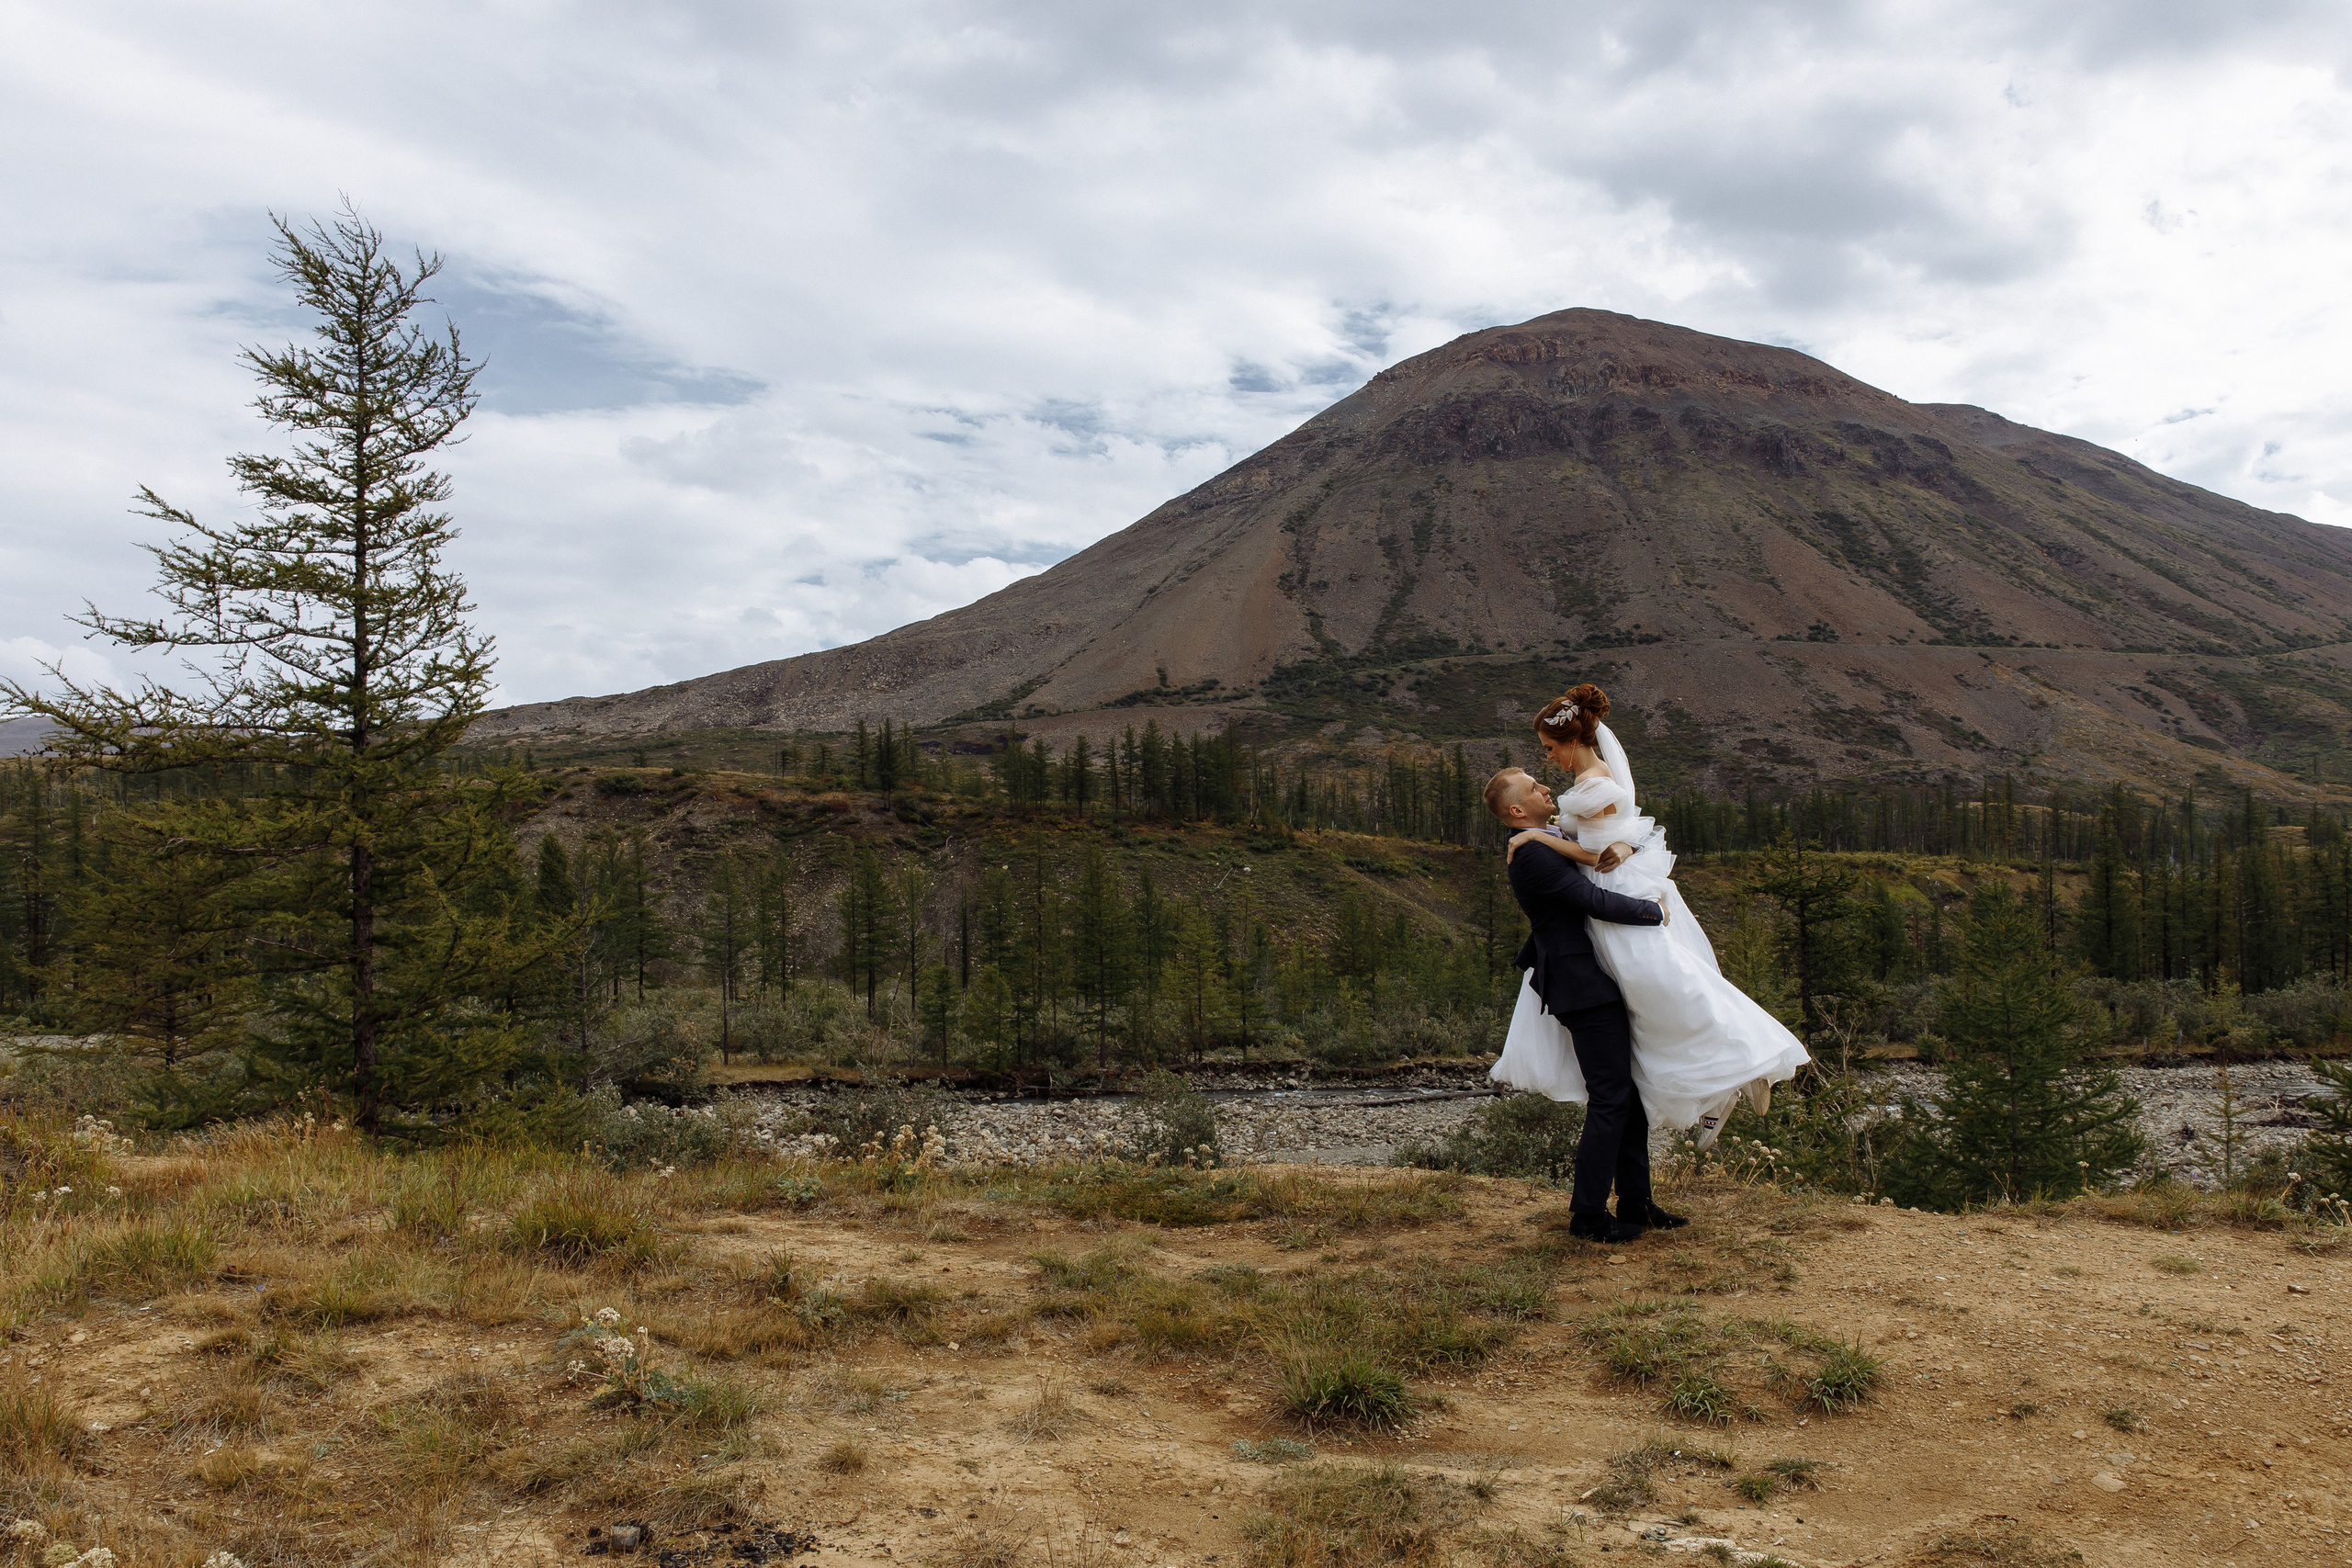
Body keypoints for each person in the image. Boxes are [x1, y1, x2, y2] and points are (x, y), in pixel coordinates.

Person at [1492, 682, 1811, 1156]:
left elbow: (1597, 851)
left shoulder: (1589, 788)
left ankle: (1743, 1066)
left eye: (1550, 748)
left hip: (1617, 897)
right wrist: (1619, 844)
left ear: (1572, 741)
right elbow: (1622, 832)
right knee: (1657, 1003)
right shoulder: (1587, 787)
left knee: (1669, 989)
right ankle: (1718, 1088)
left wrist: (1543, 838)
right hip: (1610, 898)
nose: (1548, 760)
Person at [1483, 760, 1676, 1244]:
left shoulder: (1548, 838)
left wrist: (1625, 845)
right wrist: (1654, 912)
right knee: (1610, 1097)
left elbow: (1624, 837)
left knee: (1623, 1093)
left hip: (1592, 978)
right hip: (1580, 985)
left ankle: (1635, 1201)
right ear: (1516, 809)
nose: (1546, 788)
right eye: (1534, 787)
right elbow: (1591, 900)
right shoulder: (1530, 855)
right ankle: (1587, 1216)